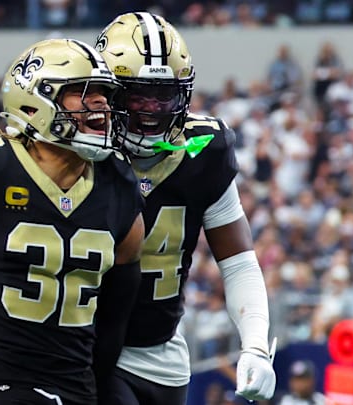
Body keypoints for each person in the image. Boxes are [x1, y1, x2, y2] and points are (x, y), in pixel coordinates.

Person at [0, 38, 146, 405]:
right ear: (37, 102)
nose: (101, 104)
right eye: (83, 92)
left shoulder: (118, 184)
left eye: (103, 94)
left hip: (77, 385)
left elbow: (116, 318)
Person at [94, 11, 276, 404]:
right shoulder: (81, 152)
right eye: (137, 94)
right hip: (86, 348)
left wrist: (256, 344)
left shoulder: (203, 149)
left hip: (164, 351)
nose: (151, 109)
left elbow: (239, 260)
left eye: (164, 95)